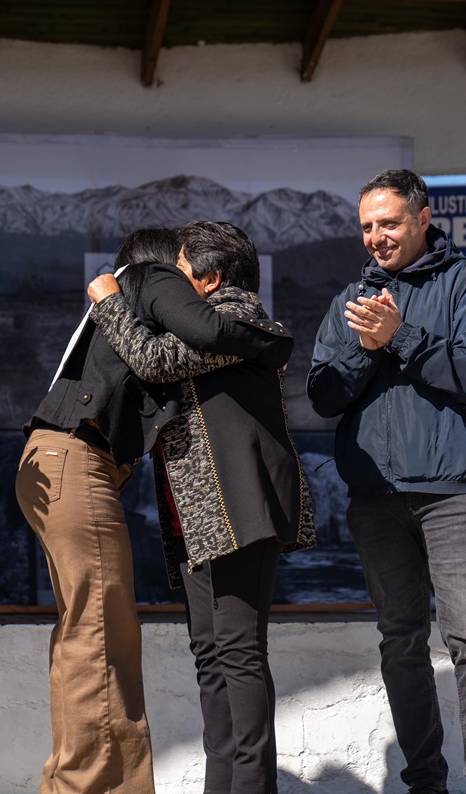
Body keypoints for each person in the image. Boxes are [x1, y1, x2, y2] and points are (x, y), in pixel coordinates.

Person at [15, 227, 287, 794]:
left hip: (217, 504)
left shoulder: (231, 316)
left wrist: (269, 339)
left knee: (191, 648)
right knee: (104, 638)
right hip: (115, 477)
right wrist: (116, 297)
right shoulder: (149, 283)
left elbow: (173, 352)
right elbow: (164, 356)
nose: (177, 292)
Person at [306, 170, 466, 794]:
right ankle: (425, 781)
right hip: (376, 500)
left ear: (424, 219)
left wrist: (400, 338)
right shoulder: (351, 299)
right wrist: (367, 347)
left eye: (389, 223)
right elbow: (321, 396)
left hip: (455, 494)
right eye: (367, 226)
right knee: (400, 642)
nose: (376, 237)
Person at [87, 221, 314, 794]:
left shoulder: (236, 320)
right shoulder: (214, 322)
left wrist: (113, 303)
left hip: (240, 505)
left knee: (237, 652)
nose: (169, 289)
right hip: (200, 511)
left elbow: (154, 360)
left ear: (209, 281)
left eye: (178, 276)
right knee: (210, 653)